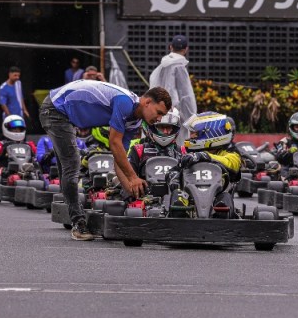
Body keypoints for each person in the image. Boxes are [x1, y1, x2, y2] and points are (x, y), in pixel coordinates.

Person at [40, 80, 171, 240]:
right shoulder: (125, 102)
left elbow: (119, 158)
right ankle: (78, 224)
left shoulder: (134, 122)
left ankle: (73, 211)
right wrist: (133, 178)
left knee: (67, 168)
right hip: (55, 109)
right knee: (72, 164)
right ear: (147, 102)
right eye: (159, 112)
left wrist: (132, 194)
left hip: (65, 114)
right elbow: (114, 143)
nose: (159, 119)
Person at [167, 111, 242, 216]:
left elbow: (233, 163)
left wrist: (205, 156)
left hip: (217, 200)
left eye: (194, 133)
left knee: (225, 197)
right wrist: (174, 177)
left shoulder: (230, 153)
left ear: (211, 133)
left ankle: (220, 218)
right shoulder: (190, 155)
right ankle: (179, 216)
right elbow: (174, 170)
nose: (191, 136)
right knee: (177, 195)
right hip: (190, 200)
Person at [148, 34, 197, 123]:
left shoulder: (161, 66)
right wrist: (191, 119)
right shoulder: (179, 67)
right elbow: (186, 95)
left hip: (157, 113)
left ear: (171, 47)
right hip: (174, 115)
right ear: (186, 49)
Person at [129, 108, 183, 179]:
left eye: (168, 127)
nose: (165, 132)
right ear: (153, 128)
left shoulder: (183, 151)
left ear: (175, 128)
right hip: (147, 186)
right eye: (161, 127)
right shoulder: (139, 150)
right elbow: (128, 177)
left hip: (175, 186)